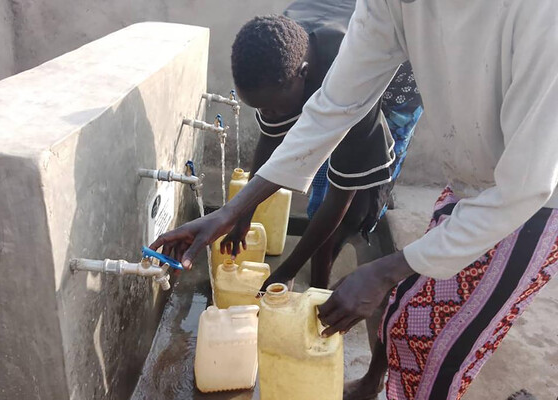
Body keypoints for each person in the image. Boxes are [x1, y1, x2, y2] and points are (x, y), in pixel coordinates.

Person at [152, 0, 558, 399]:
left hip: (536, 201)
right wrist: (233, 211)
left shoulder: (541, 17)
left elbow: (525, 184)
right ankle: (375, 383)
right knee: (405, 317)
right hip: (473, 176)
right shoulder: (383, 10)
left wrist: (382, 270)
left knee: (429, 347)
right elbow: (330, 108)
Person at [225, 11, 422, 295]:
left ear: (302, 74)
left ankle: (320, 283)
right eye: (260, 108)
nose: (267, 114)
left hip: (399, 77)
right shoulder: (274, 52)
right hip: (347, 37)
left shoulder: (351, 78)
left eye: (272, 107)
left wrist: (287, 271)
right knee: (322, 194)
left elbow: (343, 191)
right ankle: (319, 277)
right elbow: (271, 139)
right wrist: (244, 215)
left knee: (358, 207)